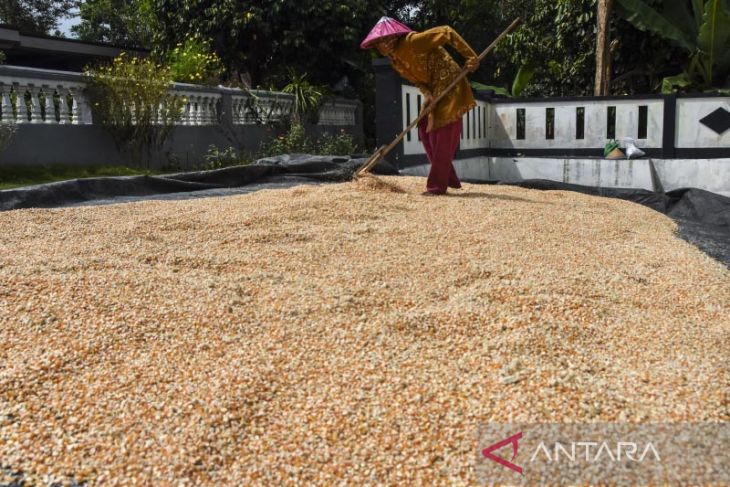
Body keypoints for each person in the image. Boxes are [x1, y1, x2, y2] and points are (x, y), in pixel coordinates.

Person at [361, 17, 480, 195]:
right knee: (424, 128)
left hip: (449, 81)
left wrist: (471, 57)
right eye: (377, 44)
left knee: (443, 134)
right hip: (434, 87)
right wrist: (427, 95)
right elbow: (417, 81)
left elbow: (446, 31)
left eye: (382, 42)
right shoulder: (395, 61)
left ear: (391, 38)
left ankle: (436, 186)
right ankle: (447, 177)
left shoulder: (413, 41)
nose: (380, 47)